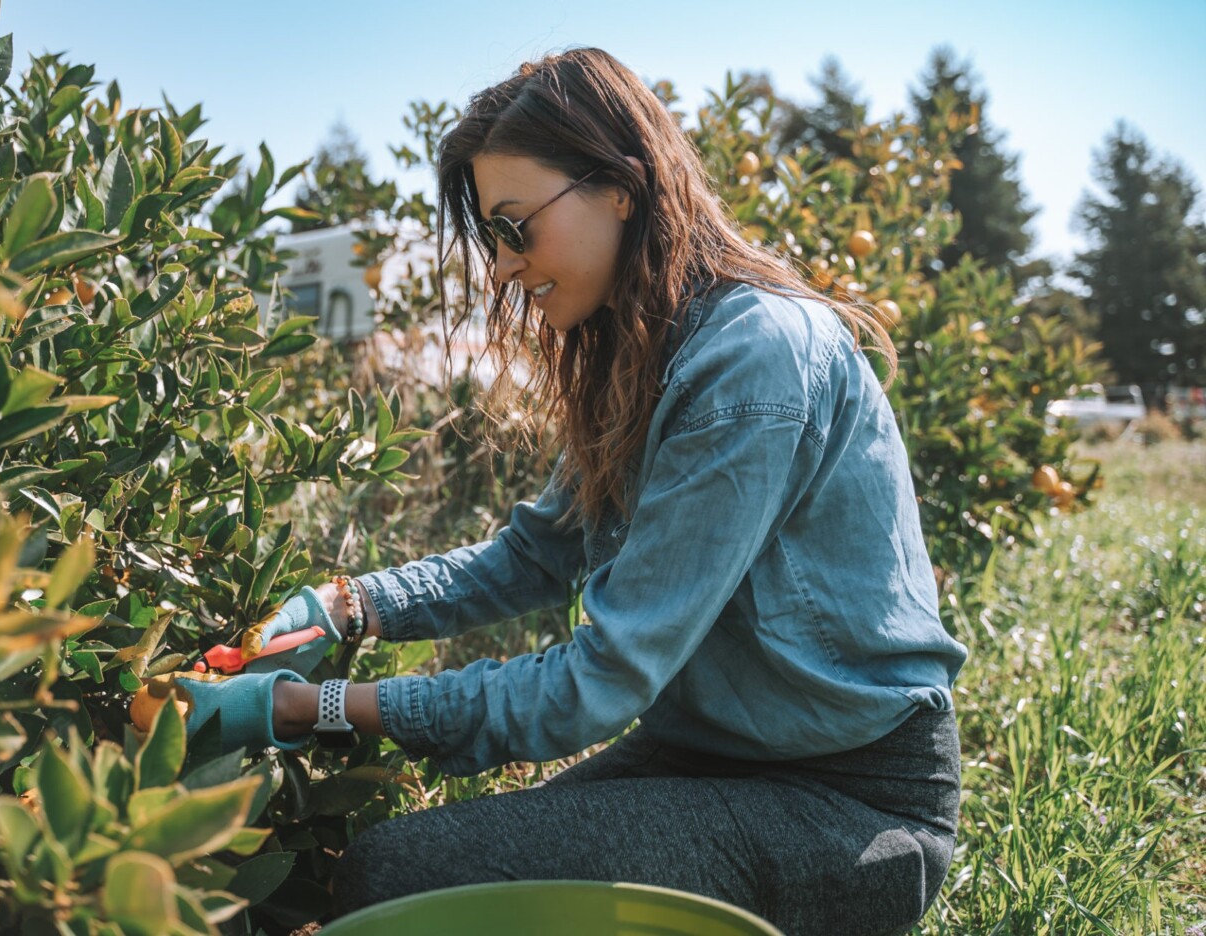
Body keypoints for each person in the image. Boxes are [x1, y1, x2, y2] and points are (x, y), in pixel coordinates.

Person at [144, 47, 968, 936]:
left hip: (848, 808)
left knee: (401, 878)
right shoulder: (649, 354)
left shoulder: (750, 360)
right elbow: (534, 555)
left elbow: (600, 683)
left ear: (620, 185)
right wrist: (343, 607)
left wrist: (315, 708)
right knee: (412, 874)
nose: (501, 268)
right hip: (717, 756)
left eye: (514, 227)